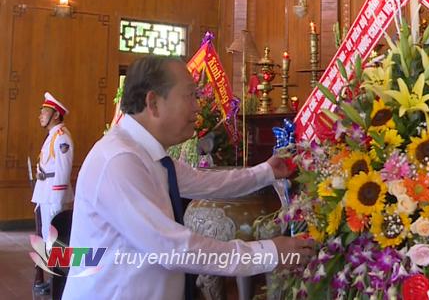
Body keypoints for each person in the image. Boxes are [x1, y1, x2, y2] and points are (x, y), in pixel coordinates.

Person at [62, 56, 314, 300]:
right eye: (190, 95)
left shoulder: (149, 155)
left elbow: (208, 182)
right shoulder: (119, 161)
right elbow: (174, 249)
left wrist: (268, 171)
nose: (197, 106)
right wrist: (268, 252)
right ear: (153, 103)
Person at [31, 92, 74, 240]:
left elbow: (63, 171)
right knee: (47, 234)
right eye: (41, 112)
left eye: (44, 112)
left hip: (53, 194)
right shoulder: (53, 135)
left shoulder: (61, 137)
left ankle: (55, 263)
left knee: (54, 237)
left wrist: (57, 200)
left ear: (55, 115)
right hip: (46, 191)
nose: (41, 116)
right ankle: (50, 262)